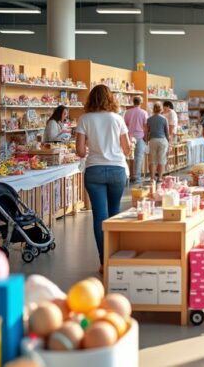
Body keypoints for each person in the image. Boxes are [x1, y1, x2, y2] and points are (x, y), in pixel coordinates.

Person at [75, 85, 131, 270]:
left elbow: (80, 151)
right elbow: (127, 149)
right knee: (114, 213)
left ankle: (103, 261)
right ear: (110, 98)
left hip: (94, 170)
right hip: (117, 169)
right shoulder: (117, 118)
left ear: (91, 99)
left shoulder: (85, 119)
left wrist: (92, 146)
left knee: (99, 216)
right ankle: (115, 259)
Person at [124, 96, 148, 184]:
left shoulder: (127, 112)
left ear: (133, 102)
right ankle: (137, 177)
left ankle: (130, 175)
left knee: (130, 157)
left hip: (130, 137)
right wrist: (146, 138)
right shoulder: (144, 112)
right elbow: (145, 126)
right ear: (141, 102)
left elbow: (125, 125)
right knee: (139, 157)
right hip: (140, 136)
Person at [146, 102, 170, 183]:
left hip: (153, 140)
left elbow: (147, 131)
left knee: (153, 160)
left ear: (153, 109)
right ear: (161, 109)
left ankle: (152, 178)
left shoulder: (149, 119)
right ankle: (160, 177)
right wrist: (169, 142)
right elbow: (167, 132)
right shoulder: (164, 119)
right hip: (162, 140)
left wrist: (146, 140)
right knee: (162, 160)